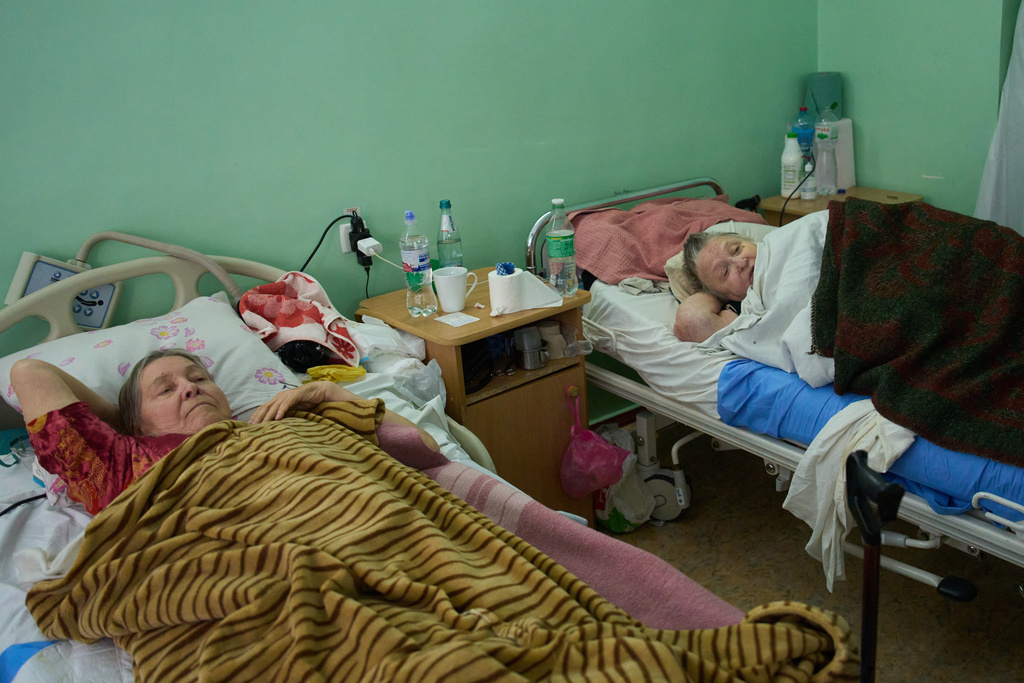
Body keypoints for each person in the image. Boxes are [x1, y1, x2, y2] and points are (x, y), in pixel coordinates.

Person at [10, 348, 441, 514]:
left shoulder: (286, 419)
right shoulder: (122, 464)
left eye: (197, 378)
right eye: (165, 389)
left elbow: (424, 449)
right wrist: (123, 419)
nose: (189, 389)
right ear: (134, 425)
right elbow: (29, 372)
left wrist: (332, 393)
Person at [673, 231, 758, 343]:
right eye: (725, 272)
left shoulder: (780, 244)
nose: (741, 263)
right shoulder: (742, 308)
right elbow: (691, 320)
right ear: (721, 295)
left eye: (736, 250)